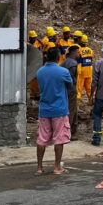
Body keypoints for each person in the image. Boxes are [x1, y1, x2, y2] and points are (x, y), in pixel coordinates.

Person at [34, 47, 73, 175]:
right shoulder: (63, 72)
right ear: (58, 57)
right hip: (59, 109)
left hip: (44, 109)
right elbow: (70, 86)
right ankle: (57, 167)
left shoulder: (40, 72)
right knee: (59, 139)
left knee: (42, 139)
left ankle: (39, 168)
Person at [62, 45, 80, 138]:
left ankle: (73, 130)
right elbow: (72, 79)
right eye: (78, 52)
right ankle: (67, 132)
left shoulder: (64, 62)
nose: (79, 54)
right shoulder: (73, 63)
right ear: (73, 52)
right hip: (71, 90)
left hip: (65, 90)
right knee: (71, 111)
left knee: (73, 110)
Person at [77, 35, 95, 102]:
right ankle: (91, 100)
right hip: (89, 70)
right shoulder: (90, 50)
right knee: (89, 88)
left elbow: (79, 62)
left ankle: (78, 102)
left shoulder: (79, 50)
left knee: (79, 88)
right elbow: (91, 59)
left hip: (82, 71)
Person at [26, 29, 43, 101]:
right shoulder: (27, 45)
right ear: (30, 38)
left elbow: (43, 45)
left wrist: (39, 40)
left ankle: (37, 93)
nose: (35, 38)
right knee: (32, 79)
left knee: (37, 79)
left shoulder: (37, 43)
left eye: (35, 37)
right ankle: (33, 95)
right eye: (34, 37)